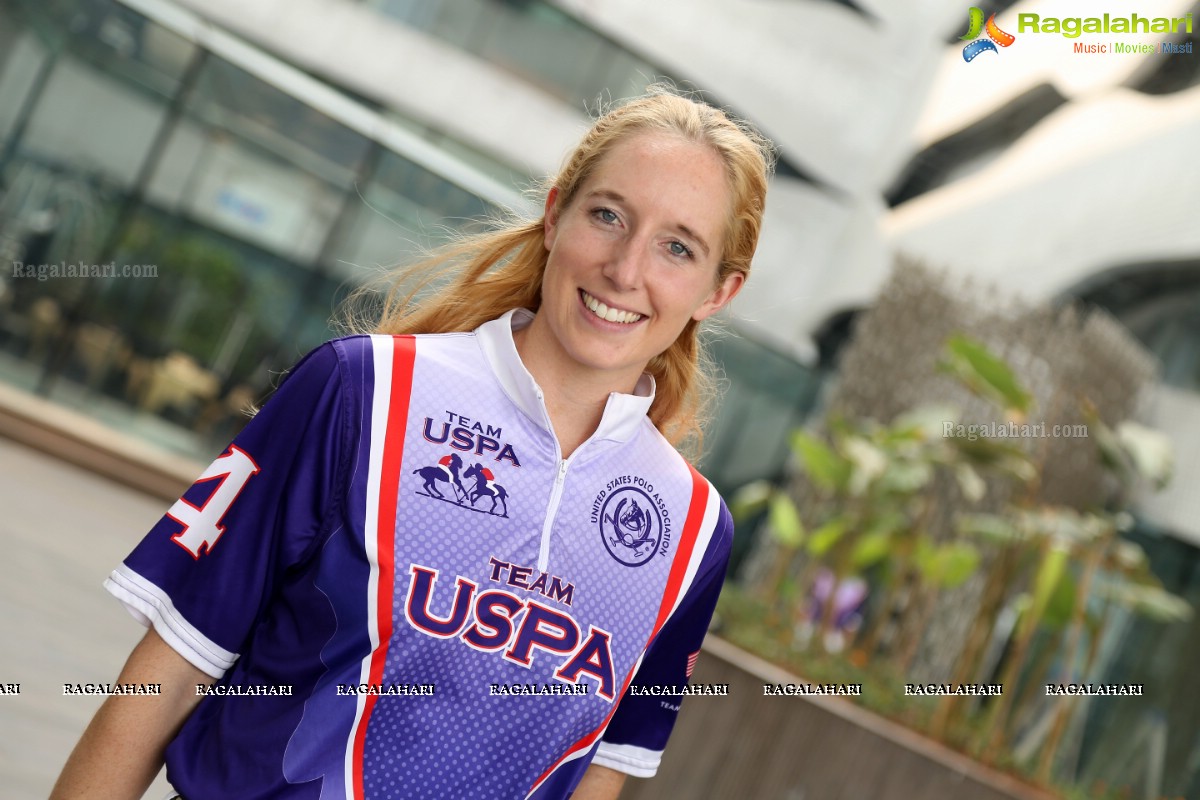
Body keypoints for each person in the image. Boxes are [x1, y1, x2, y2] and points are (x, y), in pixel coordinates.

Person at [52, 87, 774, 800]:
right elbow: (172, 670)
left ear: (718, 293)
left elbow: (599, 773)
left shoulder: (693, 531)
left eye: (677, 247)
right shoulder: (361, 390)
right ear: (555, 216)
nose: (626, 270)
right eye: (608, 215)